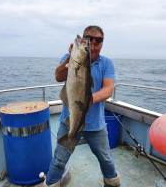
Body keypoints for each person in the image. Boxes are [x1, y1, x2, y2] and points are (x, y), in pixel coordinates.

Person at [44, 25, 120, 187]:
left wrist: (86, 99)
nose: (92, 47)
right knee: (59, 161)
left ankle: (112, 183)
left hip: (96, 125)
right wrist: (70, 57)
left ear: (102, 44)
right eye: (88, 41)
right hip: (69, 121)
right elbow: (58, 76)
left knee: (106, 159)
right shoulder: (69, 58)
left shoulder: (107, 63)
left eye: (97, 43)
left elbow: (107, 90)